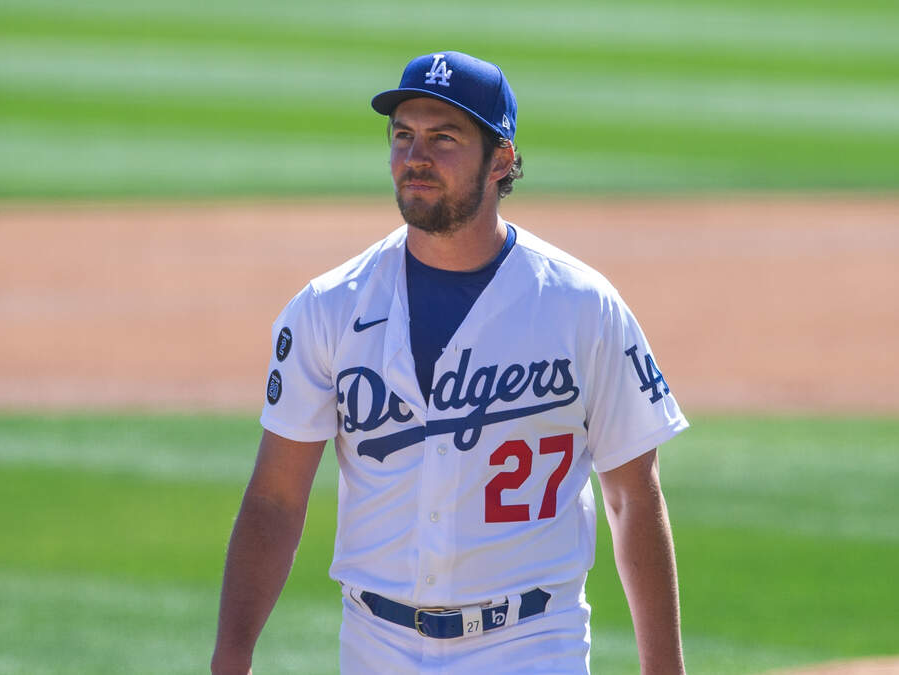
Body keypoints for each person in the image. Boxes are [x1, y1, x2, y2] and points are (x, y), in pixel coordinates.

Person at [211, 50, 688, 674]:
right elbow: (275, 499)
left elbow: (632, 498)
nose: (416, 157)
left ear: (503, 159)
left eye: (444, 138)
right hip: (375, 644)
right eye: (403, 136)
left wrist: (665, 669)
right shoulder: (328, 307)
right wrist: (231, 656)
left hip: (532, 641)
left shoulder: (581, 305)